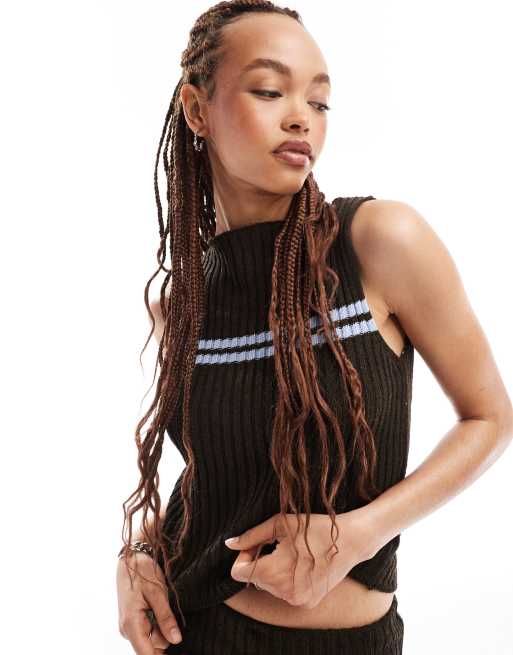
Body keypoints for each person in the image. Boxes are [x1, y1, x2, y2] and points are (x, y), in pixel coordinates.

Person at [116, 2, 513, 654]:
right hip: (199, 633)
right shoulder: (179, 307)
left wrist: (359, 533)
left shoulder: (378, 242)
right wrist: (136, 552)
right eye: (269, 91)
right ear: (196, 110)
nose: (301, 116)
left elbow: (490, 418)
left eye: (320, 101)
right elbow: (212, 480)